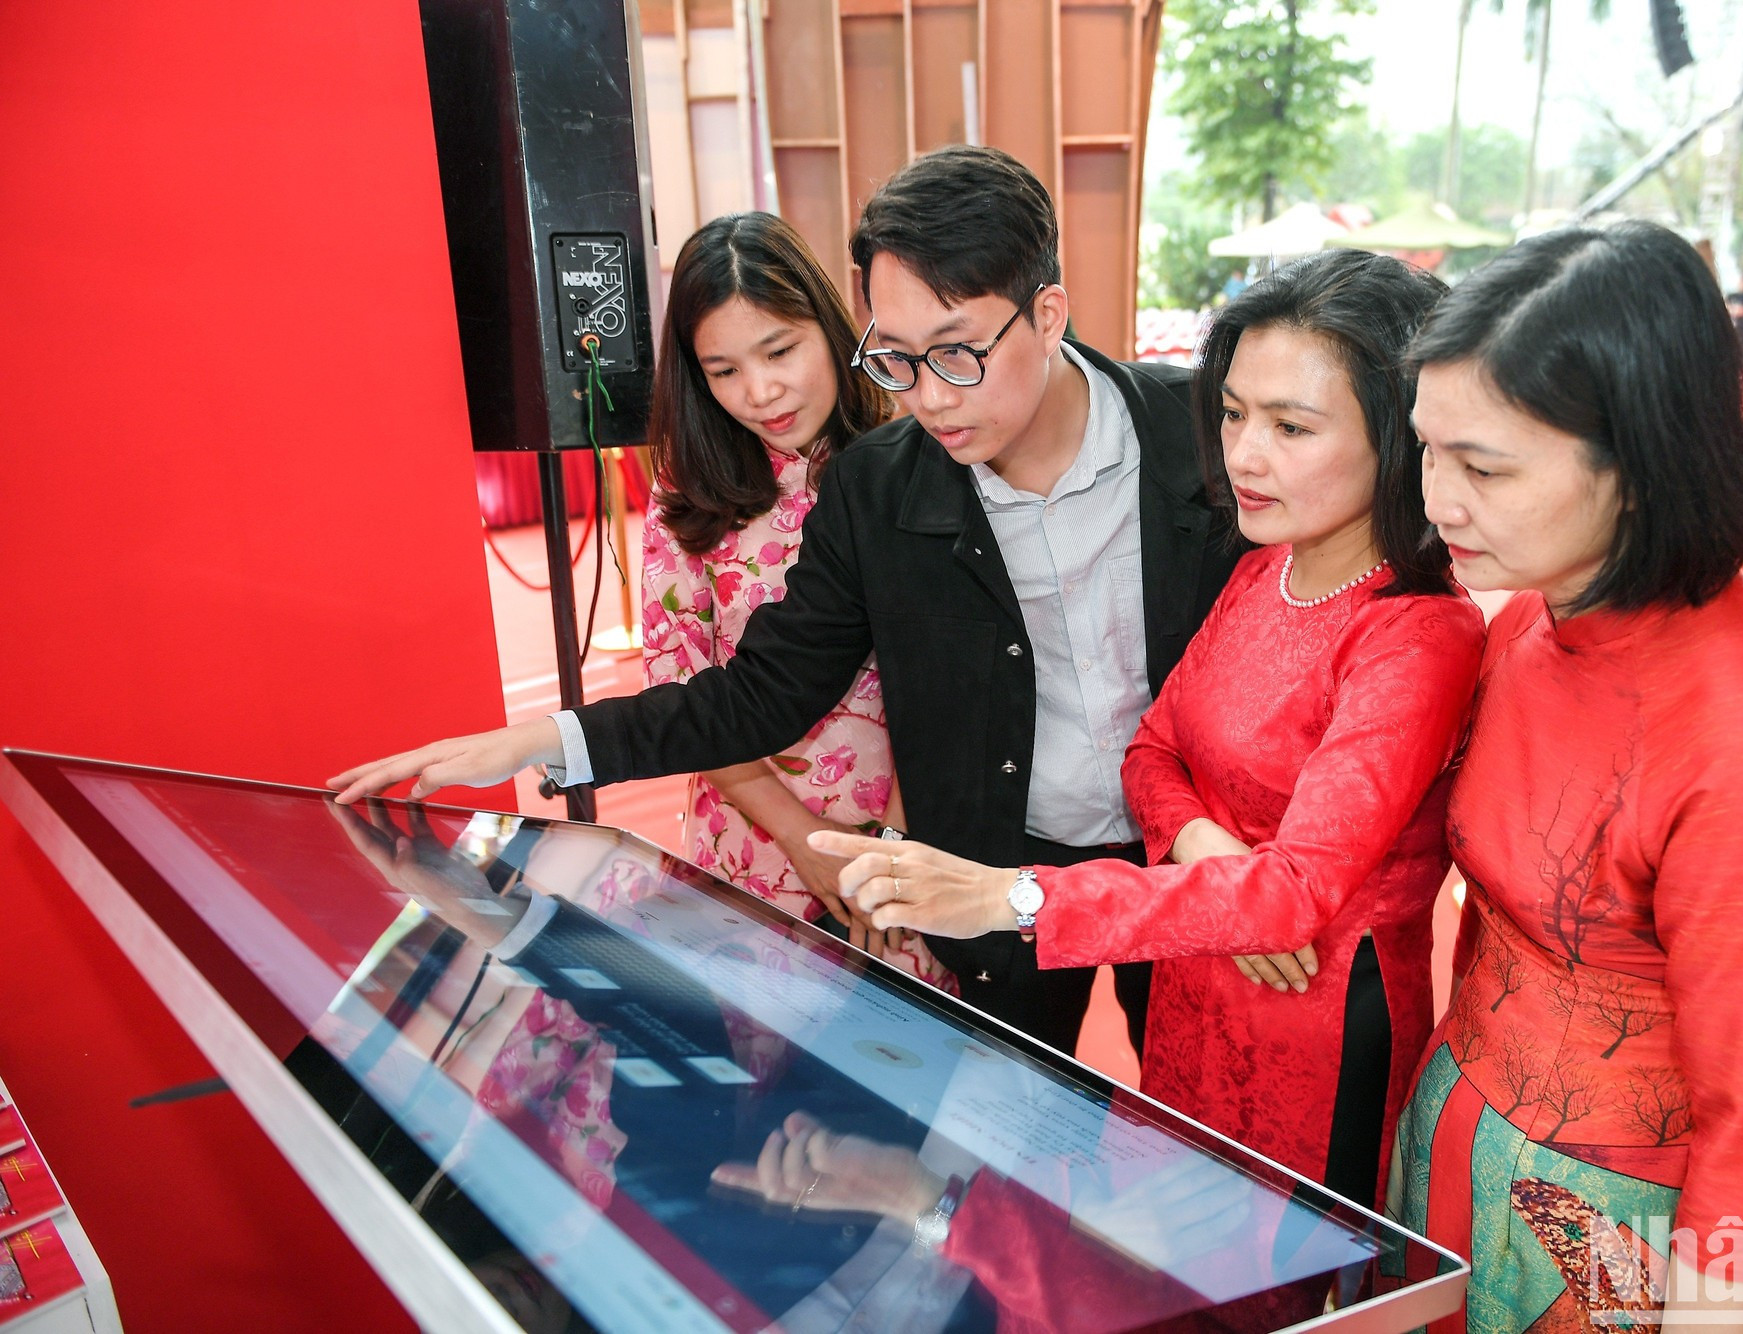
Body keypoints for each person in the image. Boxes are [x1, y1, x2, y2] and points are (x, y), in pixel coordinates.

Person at [331, 145, 1244, 1056]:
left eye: (956, 354)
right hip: (986, 870)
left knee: (1199, 1135)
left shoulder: (1200, 436)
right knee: (1006, 1130)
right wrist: (546, 739)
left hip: (1190, 859)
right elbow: (761, 694)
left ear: (1047, 315)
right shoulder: (882, 488)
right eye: (896, 357)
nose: (926, 397)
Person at [803, 249, 1487, 1204]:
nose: (1243, 455)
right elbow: (1150, 750)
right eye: (1236, 412)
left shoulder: (1417, 632)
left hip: (1316, 1016)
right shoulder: (1268, 567)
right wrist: (1209, 846)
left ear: (1400, 433)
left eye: (1291, 426)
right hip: (1194, 984)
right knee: (1178, 1243)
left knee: (1282, 1277)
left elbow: (1295, 898)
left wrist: (1015, 900)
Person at [1390, 221, 1743, 1330]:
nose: (1437, 500)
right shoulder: (1527, 614)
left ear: (1639, 459)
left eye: (1483, 466)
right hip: (1452, 1139)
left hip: (1609, 1225)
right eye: (1428, 449)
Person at [633, 212, 947, 986]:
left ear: (832, 326)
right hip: (754, 846)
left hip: (911, 858)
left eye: (780, 351)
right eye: (724, 369)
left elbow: (949, 681)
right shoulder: (687, 494)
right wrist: (802, 839)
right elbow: (684, 693)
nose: (761, 391)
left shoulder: (917, 458)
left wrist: (892, 849)